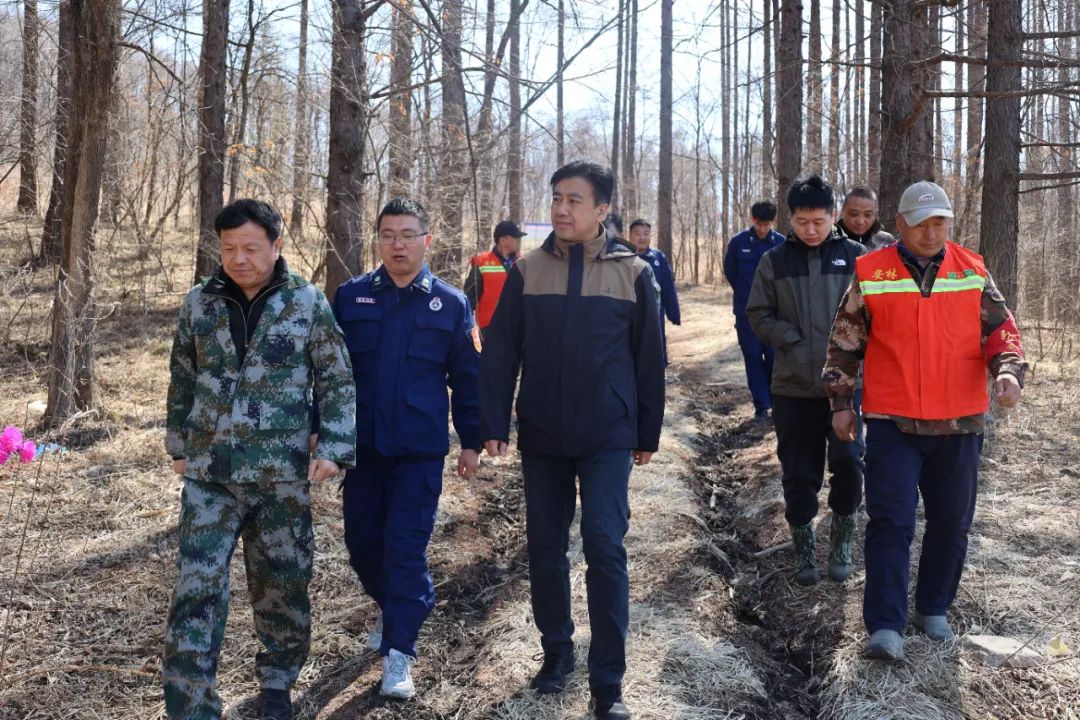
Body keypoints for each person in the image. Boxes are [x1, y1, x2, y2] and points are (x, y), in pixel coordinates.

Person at [480, 161, 665, 720]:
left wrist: (647, 431)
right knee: (544, 547)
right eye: (556, 198)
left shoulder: (633, 273)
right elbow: (502, 349)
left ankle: (608, 682)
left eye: (574, 200)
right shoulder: (527, 270)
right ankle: (557, 652)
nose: (561, 209)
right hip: (542, 433)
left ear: (602, 209)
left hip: (607, 434)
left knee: (604, 546)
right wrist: (494, 423)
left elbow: (649, 357)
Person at [163, 199, 357, 720]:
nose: (239, 259)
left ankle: (277, 682)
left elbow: (336, 379)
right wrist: (179, 446)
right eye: (229, 248)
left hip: (281, 474)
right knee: (196, 588)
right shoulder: (199, 303)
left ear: (276, 245)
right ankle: (191, 705)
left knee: (282, 583)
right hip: (211, 473)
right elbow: (182, 377)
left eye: (250, 248)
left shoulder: (306, 302)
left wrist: (335, 447)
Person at [823, 181, 1026, 662]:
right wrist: (840, 402)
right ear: (900, 224)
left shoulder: (972, 270)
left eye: (940, 223)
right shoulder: (872, 272)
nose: (932, 233)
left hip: (960, 423)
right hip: (892, 422)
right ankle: (885, 626)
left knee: (951, 523)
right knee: (890, 522)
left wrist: (1008, 372)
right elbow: (845, 342)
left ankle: (933, 608)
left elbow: (1002, 332)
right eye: (921, 224)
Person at [332, 198, 481, 699]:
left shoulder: (450, 303)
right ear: (378, 240)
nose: (398, 245)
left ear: (426, 241)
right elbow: (328, 375)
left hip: (418, 451)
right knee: (362, 546)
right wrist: (320, 431)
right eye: (388, 235)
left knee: (405, 549)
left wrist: (472, 441)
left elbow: (467, 378)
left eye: (408, 235)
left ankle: (399, 654)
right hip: (364, 448)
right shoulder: (351, 297)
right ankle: (398, 604)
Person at [746, 176, 866, 586]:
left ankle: (842, 542)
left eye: (818, 221)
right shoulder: (774, 261)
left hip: (847, 388)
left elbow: (876, 313)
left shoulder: (856, 257)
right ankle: (804, 550)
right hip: (793, 387)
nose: (810, 230)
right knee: (799, 472)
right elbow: (758, 313)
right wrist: (790, 339)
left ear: (833, 216)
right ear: (791, 219)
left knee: (849, 463)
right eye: (801, 222)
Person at [723, 201, 785, 419]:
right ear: (752, 220)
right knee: (752, 357)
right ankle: (761, 405)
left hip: (774, 313)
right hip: (746, 313)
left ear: (773, 222)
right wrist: (745, 294)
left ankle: (775, 401)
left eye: (767, 224)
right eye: (759, 224)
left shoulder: (781, 243)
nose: (763, 229)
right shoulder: (738, 243)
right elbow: (731, 272)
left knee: (774, 358)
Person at [629, 219, 681, 366]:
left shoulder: (658, 257)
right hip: (629, 315)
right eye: (637, 234)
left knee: (655, 350)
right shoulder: (623, 257)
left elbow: (668, 287)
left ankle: (658, 372)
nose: (642, 237)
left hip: (654, 314)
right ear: (630, 236)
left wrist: (674, 314)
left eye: (646, 234)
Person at [463, 219, 525, 338]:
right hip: (489, 330)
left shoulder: (523, 262)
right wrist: (467, 329)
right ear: (503, 240)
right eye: (515, 237)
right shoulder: (482, 263)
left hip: (518, 328)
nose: (518, 241)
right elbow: (468, 300)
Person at [836, 186, 895, 250]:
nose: (860, 221)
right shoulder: (831, 241)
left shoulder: (886, 241)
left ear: (875, 214)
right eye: (854, 214)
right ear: (843, 211)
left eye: (867, 215)